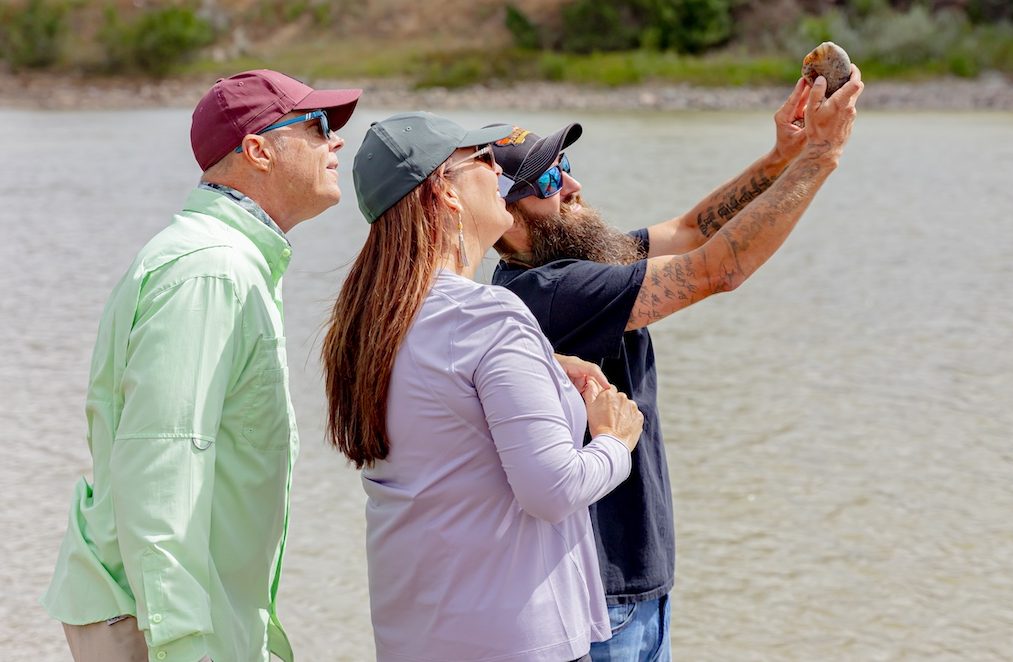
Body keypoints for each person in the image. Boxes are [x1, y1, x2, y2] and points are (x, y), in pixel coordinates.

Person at [490, 69, 865, 660]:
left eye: (566, 164)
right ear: (506, 214)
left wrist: (781, 157)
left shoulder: (584, 261)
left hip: (635, 589)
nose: (573, 184)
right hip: (604, 601)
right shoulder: (550, 293)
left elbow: (691, 231)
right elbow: (719, 268)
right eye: (549, 178)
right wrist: (822, 155)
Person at [41, 70, 361, 662]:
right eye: (316, 127)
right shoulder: (211, 269)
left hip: (186, 613)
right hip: (163, 625)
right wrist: (184, 643)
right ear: (260, 151)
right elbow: (161, 462)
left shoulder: (231, 260)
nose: (335, 141)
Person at [321, 111, 645, 662]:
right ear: (443, 194)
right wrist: (615, 440)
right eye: (483, 159)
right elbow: (553, 490)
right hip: (517, 638)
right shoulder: (487, 317)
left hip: (414, 635)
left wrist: (541, 361)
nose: (499, 174)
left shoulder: (371, 322)